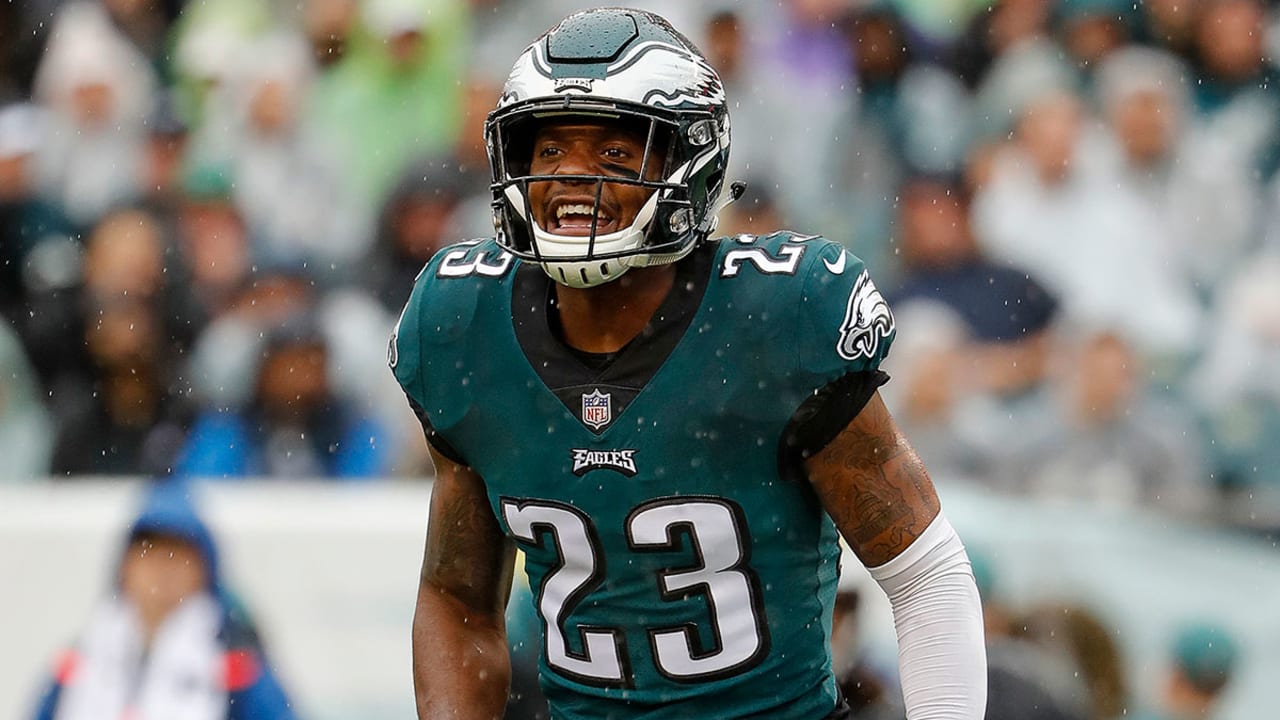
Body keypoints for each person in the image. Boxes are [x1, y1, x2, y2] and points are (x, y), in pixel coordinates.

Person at [390, 8, 986, 719]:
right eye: (549, 152)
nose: (573, 180)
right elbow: (457, 596)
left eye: (614, 155)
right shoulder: (465, 323)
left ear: (689, 161)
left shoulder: (775, 318)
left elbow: (924, 574)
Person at [30, 479, 297, 720]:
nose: (163, 571)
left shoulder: (235, 666)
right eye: (150, 555)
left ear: (203, 571)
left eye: (179, 557)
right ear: (125, 567)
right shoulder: (82, 659)